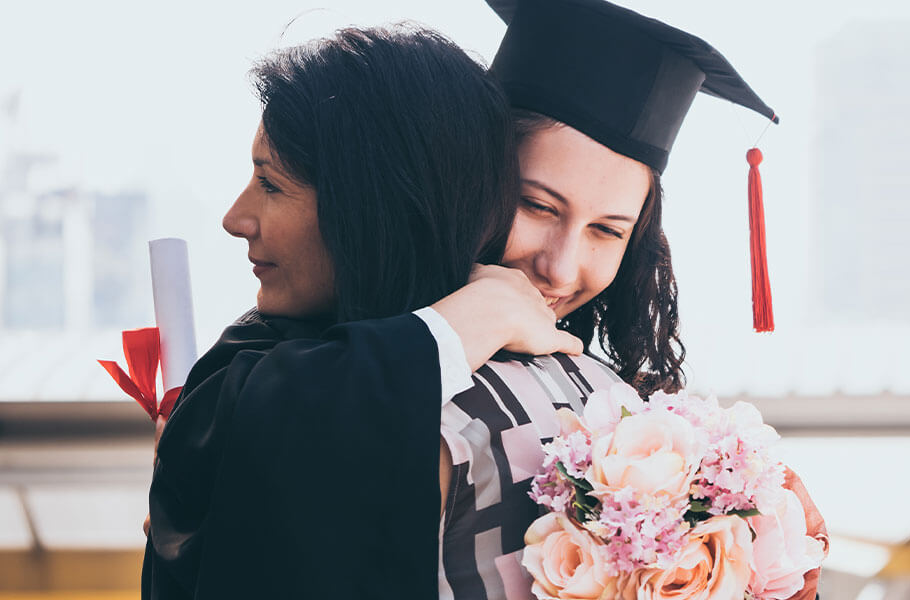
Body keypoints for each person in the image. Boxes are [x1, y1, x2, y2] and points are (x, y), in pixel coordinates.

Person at [143, 24, 582, 599]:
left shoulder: (538, 414)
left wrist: (461, 327)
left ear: (370, 208)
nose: (235, 217)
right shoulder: (263, 366)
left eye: (271, 185)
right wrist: (464, 323)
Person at [437, 1, 828, 598]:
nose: (560, 267)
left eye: (607, 231)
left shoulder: (607, 394)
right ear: (469, 179)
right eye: (538, 206)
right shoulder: (367, 374)